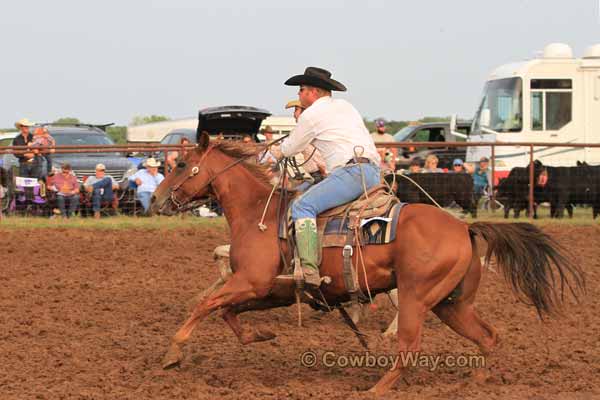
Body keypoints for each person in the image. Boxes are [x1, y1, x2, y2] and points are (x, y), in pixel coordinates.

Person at [270, 67, 381, 287]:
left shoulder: (311, 114)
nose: (299, 95)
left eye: (301, 90)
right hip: (374, 173)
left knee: (302, 206)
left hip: (350, 173)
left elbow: (292, 147)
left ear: (313, 91)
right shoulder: (346, 107)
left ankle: (309, 269)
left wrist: (276, 151)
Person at [284, 99, 327, 191]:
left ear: (304, 112)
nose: (294, 114)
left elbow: (319, 161)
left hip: (318, 178)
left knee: (294, 198)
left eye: (296, 110)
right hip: (315, 176)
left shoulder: (305, 132)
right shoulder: (310, 129)